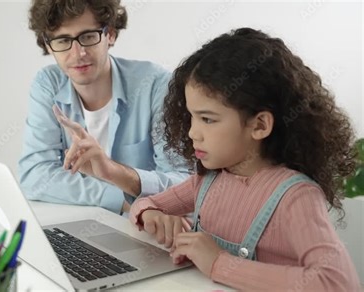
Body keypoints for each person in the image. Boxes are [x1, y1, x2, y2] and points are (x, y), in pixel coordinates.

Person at [129, 27, 361, 290]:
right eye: (192, 116)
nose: (193, 132)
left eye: (207, 119)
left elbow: (338, 283)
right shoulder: (207, 181)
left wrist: (219, 263)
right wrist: (152, 215)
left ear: (260, 125)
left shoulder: (296, 197)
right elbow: (146, 203)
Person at [18, 0, 189, 214]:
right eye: (63, 40)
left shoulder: (155, 84)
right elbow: (34, 176)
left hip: (151, 230)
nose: (78, 53)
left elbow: (185, 185)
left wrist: (113, 172)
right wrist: (122, 201)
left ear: (110, 34)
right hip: (85, 219)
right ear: (48, 44)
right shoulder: (48, 84)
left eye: (88, 37)